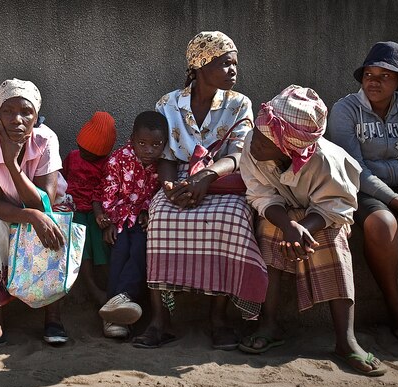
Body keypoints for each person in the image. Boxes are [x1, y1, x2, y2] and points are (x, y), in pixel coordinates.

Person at [240, 85, 387, 376]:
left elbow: (339, 205)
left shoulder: (327, 161)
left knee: (332, 243)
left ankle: (346, 340)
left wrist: (305, 228)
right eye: (256, 132)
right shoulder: (252, 148)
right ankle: (269, 324)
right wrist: (288, 225)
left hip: (322, 216)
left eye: (263, 138)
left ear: (288, 146)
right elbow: (260, 195)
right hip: (282, 213)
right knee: (269, 232)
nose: (253, 140)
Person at [134, 31, 268, 350]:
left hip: (221, 178)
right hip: (179, 178)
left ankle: (218, 319)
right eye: (225, 64)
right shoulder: (168, 104)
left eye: (234, 64)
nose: (233, 70)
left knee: (231, 219)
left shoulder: (239, 104)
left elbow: (238, 154)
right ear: (200, 65)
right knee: (160, 216)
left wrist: (206, 177)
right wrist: (168, 187)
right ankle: (160, 320)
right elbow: (165, 155)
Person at [327, 41, 398, 350]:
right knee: (383, 224)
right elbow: (355, 170)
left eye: (384, 75)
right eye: (369, 74)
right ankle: (396, 309)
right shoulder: (345, 110)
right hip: (363, 189)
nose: (374, 81)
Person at [0, 78, 69, 355]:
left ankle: (53, 319)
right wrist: (31, 216)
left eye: (26, 112)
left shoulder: (46, 139)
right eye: (8, 112)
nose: (17, 119)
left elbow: (43, 200)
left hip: (45, 208)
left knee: (53, 226)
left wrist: (12, 165)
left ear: (36, 116)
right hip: (8, 210)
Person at [95, 111, 167, 339]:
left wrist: (147, 211)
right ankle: (113, 315)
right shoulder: (118, 159)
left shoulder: (163, 165)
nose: (149, 150)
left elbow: (158, 194)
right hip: (119, 219)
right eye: (142, 144)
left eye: (156, 145)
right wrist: (108, 223)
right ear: (132, 139)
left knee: (140, 250)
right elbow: (106, 193)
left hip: (143, 221)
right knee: (120, 252)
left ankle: (121, 302)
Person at [62, 111, 117, 305]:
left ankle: (108, 288)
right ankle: (92, 288)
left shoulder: (108, 165)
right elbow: (61, 180)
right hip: (74, 209)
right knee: (79, 241)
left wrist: (99, 212)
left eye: (91, 155)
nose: (84, 154)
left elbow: (106, 191)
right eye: (82, 149)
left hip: (97, 211)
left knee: (99, 239)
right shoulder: (73, 157)